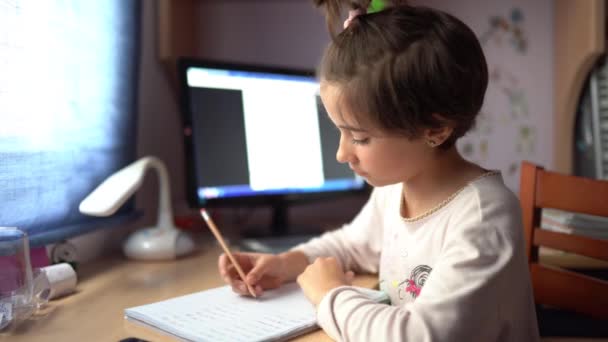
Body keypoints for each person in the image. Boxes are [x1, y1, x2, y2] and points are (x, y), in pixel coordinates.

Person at [218, 1, 540, 341]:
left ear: (435, 130)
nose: (342, 153)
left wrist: (330, 294)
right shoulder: (395, 189)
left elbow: (418, 336)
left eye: (359, 137)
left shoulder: (483, 216)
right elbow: (351, 246)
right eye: (339, 131)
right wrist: (286, 263)